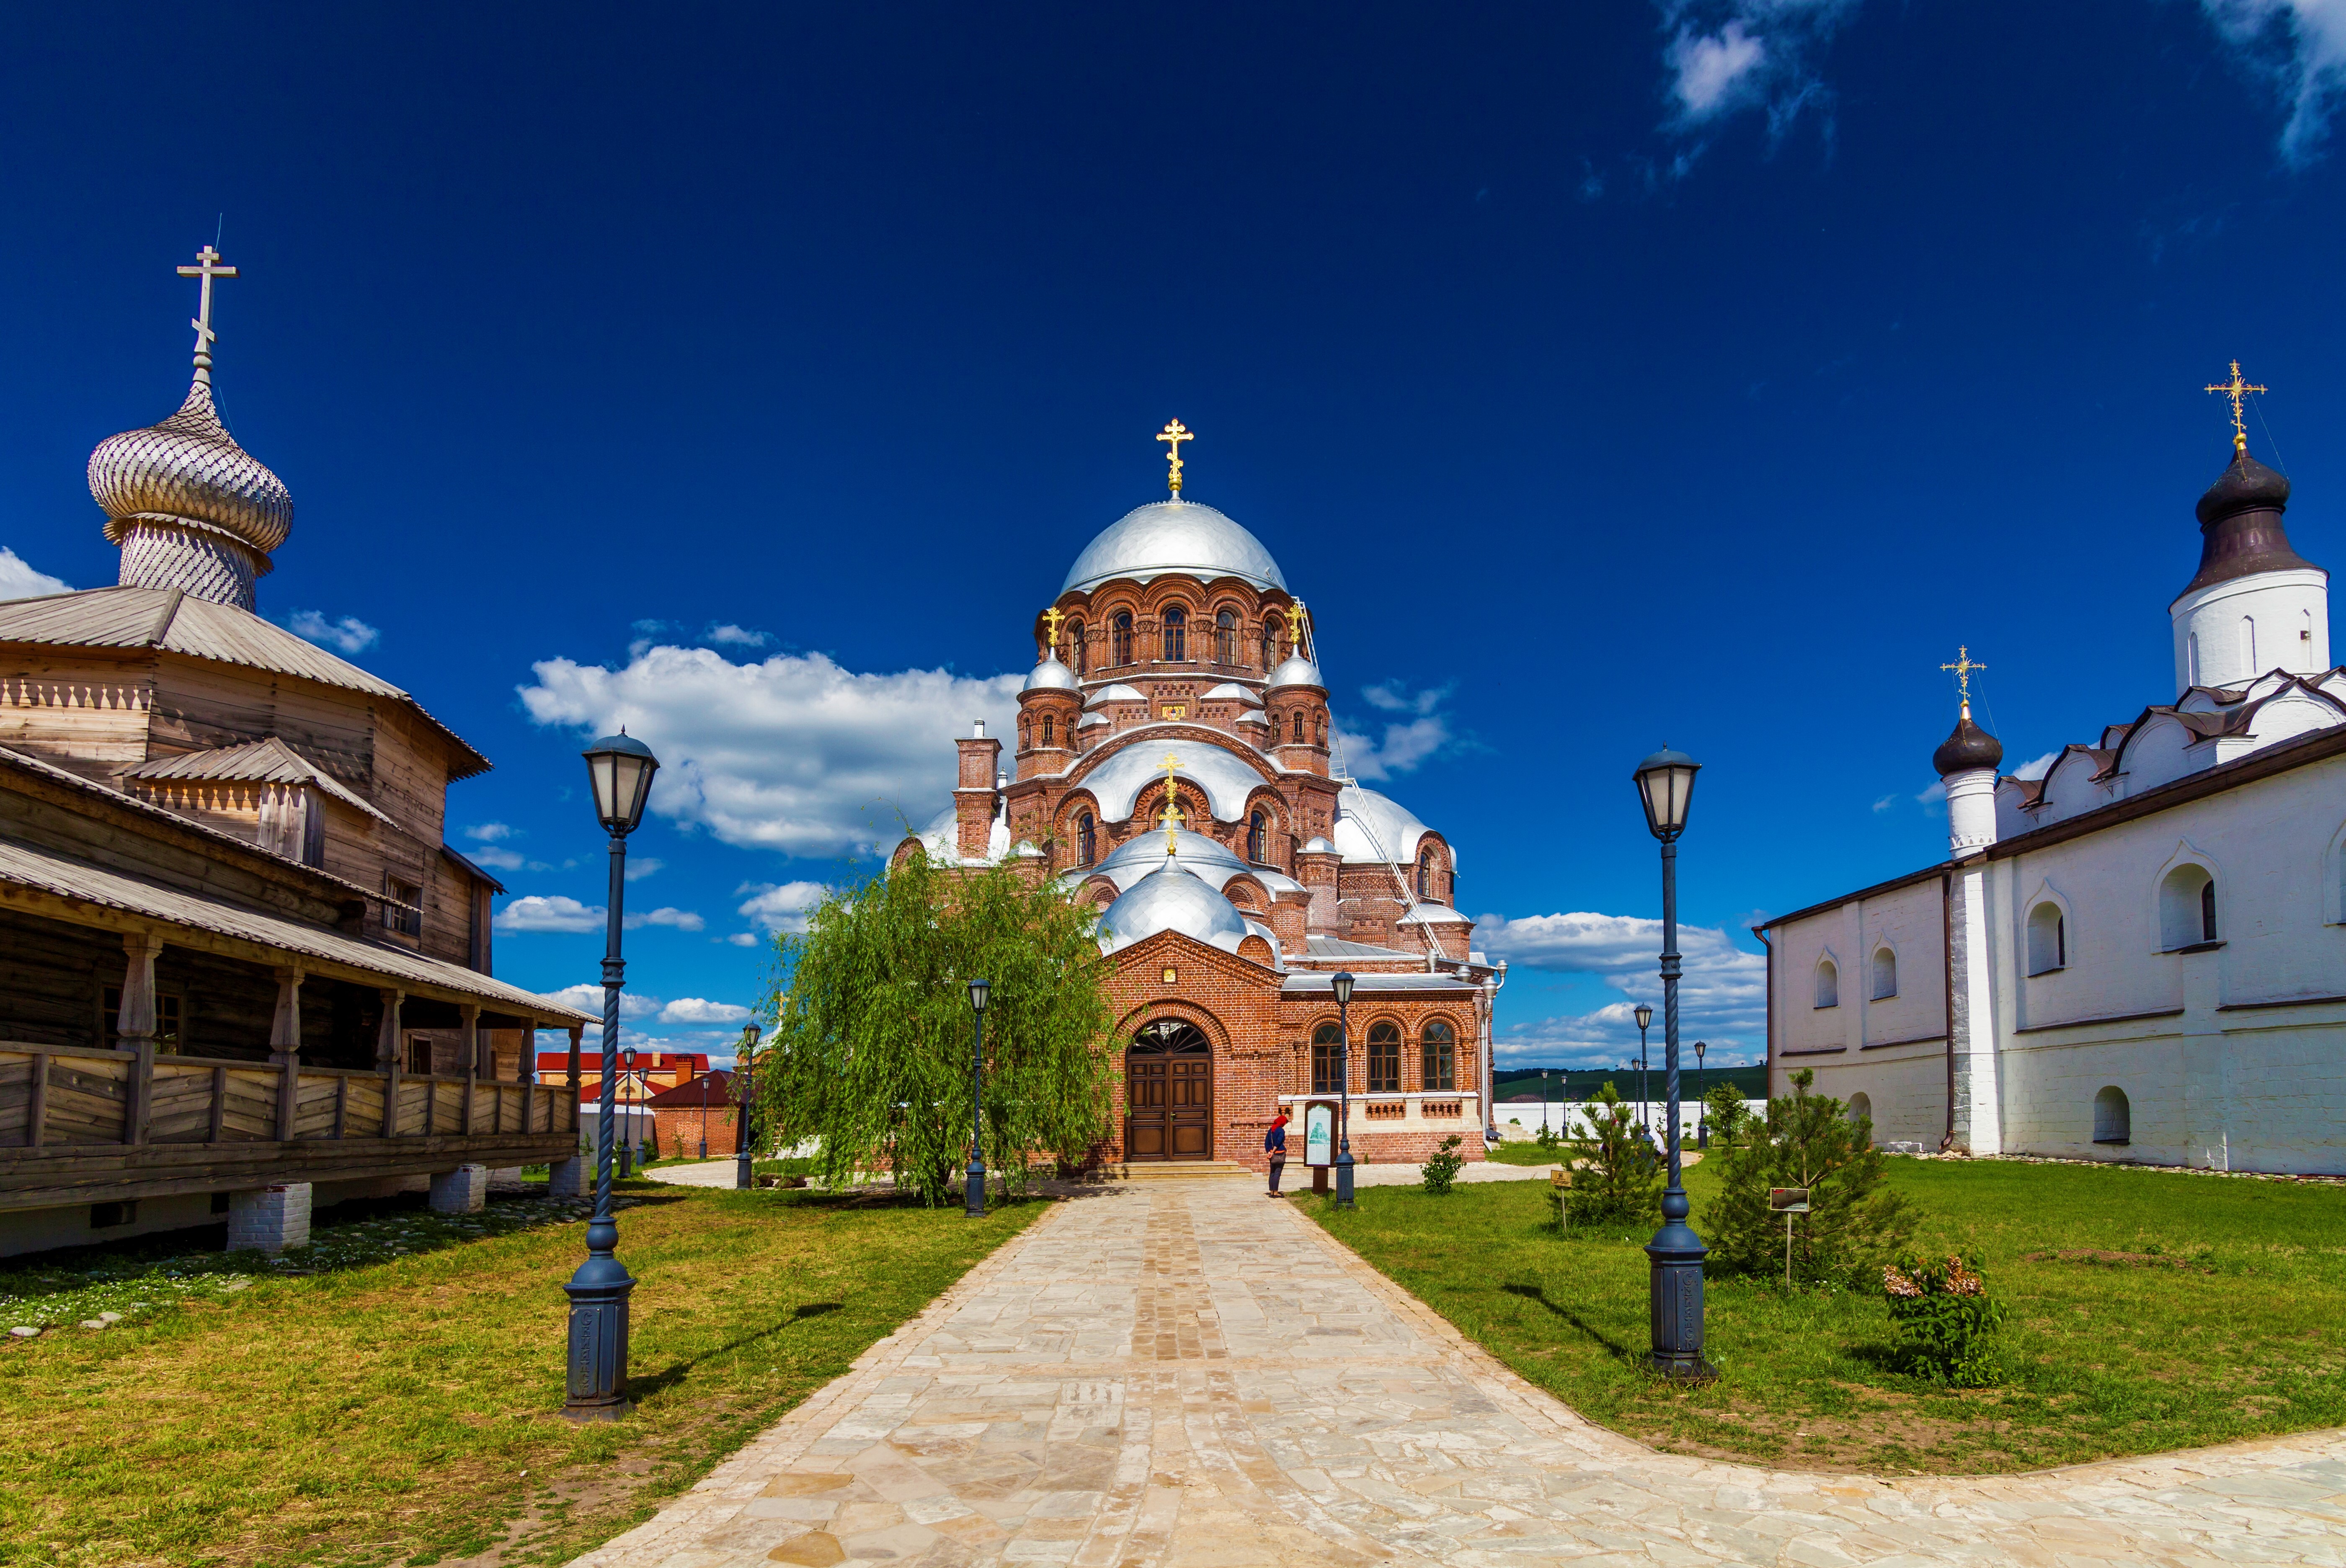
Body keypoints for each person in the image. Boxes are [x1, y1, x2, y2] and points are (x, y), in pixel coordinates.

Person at [1265, 1110, 1290, 1196]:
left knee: (1272, 1172)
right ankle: (1275, 1191)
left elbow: (1267, 1143)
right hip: (1279, 1153)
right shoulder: (1281, 1131)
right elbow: (1279, 1142)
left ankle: (1272, 1191)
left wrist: (1269, 1152)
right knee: (1278, 1172)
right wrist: (1274, 1151)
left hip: (1271, 1154)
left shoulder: (1271, 1130)